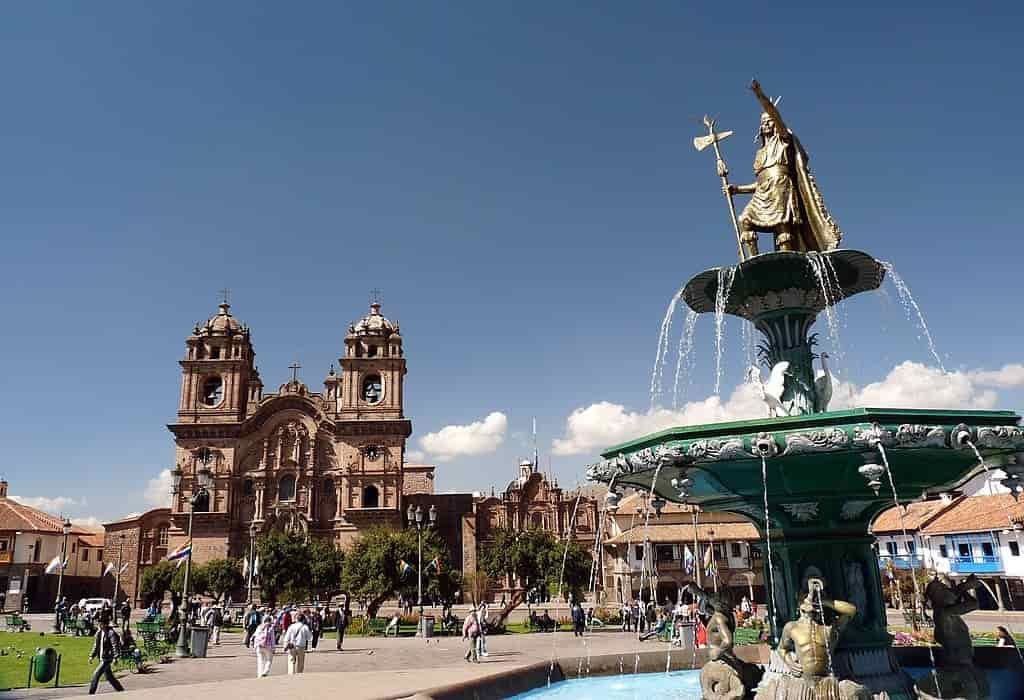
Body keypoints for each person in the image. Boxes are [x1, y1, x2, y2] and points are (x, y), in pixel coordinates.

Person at [88, 617, 125, 694]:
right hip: (101, 657)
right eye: (99, 624)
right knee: (109, 677)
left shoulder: (111, 633)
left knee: (95, 675)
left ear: (105, 624)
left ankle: (91, 693)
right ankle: (120, 690)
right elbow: (96, 645)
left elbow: (114, 645)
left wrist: (115, 657)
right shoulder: (99, 633)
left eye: (101, 624)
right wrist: (92, 656)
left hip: (107, 658)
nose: (99, 625)